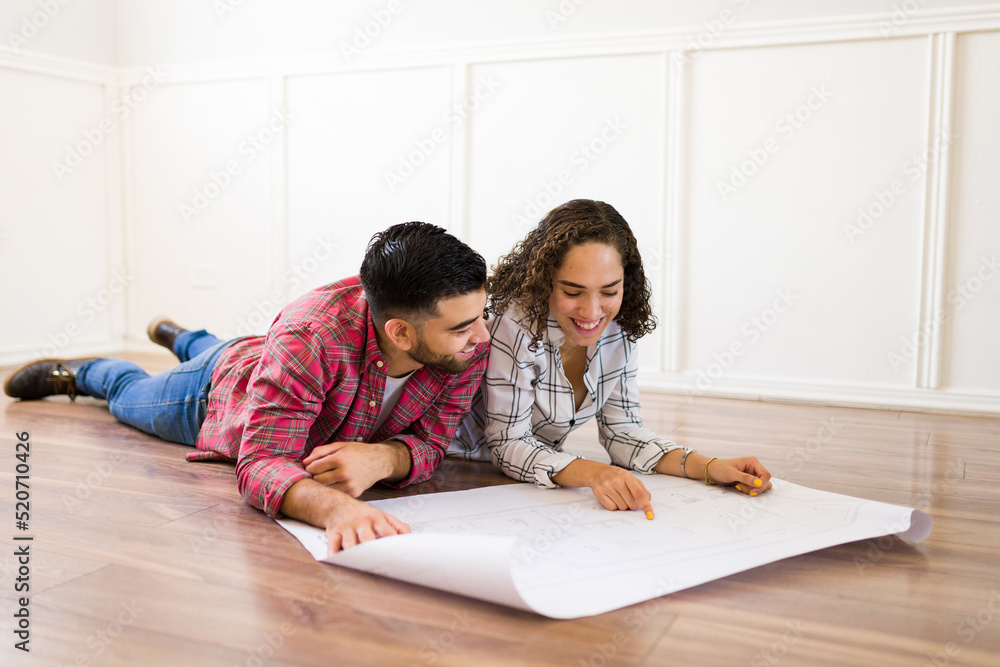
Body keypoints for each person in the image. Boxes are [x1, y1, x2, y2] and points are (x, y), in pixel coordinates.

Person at [5, 222, 491, 551]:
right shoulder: (311, 336)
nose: (483, 337)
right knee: (129, 398)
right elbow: (259, 461)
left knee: (227, 345)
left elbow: (432, 441)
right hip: (216, 392)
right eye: (462, 328)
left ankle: (182, 336)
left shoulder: (464, 340)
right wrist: (334, 509)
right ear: (400, 333)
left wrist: (386, 457)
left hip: (268, 356)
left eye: (480, 317)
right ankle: (87, 372)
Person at [450, 199, 771, 518]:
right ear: (545, 281)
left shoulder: (620, 326)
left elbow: (623, 432)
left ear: (625, 283)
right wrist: (593, 473)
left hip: (536, 472)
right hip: (461, 470)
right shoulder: (518, 323)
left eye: (609, 291)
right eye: (573, 292)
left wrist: (709, 467)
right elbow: (507, 444)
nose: (592, 312)